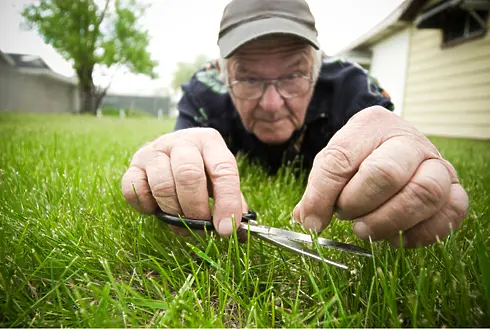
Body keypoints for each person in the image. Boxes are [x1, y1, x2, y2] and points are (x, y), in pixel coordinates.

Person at [121, 0, 469, 248]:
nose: (272, 105)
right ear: (224, 74)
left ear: (318, 68)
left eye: (293, 75)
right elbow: (179, 145)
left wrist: (409, 161)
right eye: (249, 80)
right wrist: (171, 160)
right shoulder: (203, 89)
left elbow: (391, 138)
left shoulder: (352, 86)